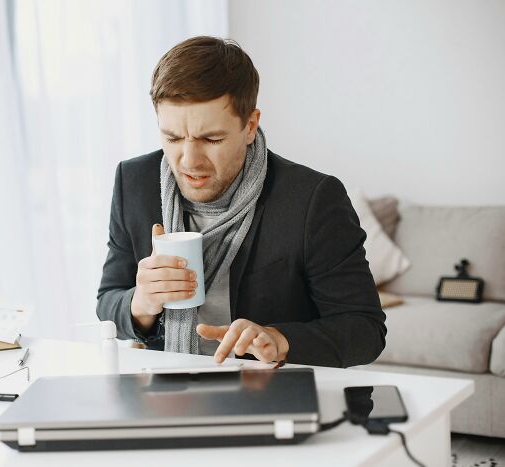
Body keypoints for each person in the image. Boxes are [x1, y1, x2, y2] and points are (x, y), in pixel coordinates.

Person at [96, 36, 386, 367]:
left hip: (268, 391)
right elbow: (107, 301)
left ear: (249, 126)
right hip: (166, 391)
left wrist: (280, 340)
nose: (189, 161)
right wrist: (141, 303)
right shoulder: (133, 182)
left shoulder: (313, 199)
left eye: (212, 138)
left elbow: (365, 329)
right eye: (173, 138)